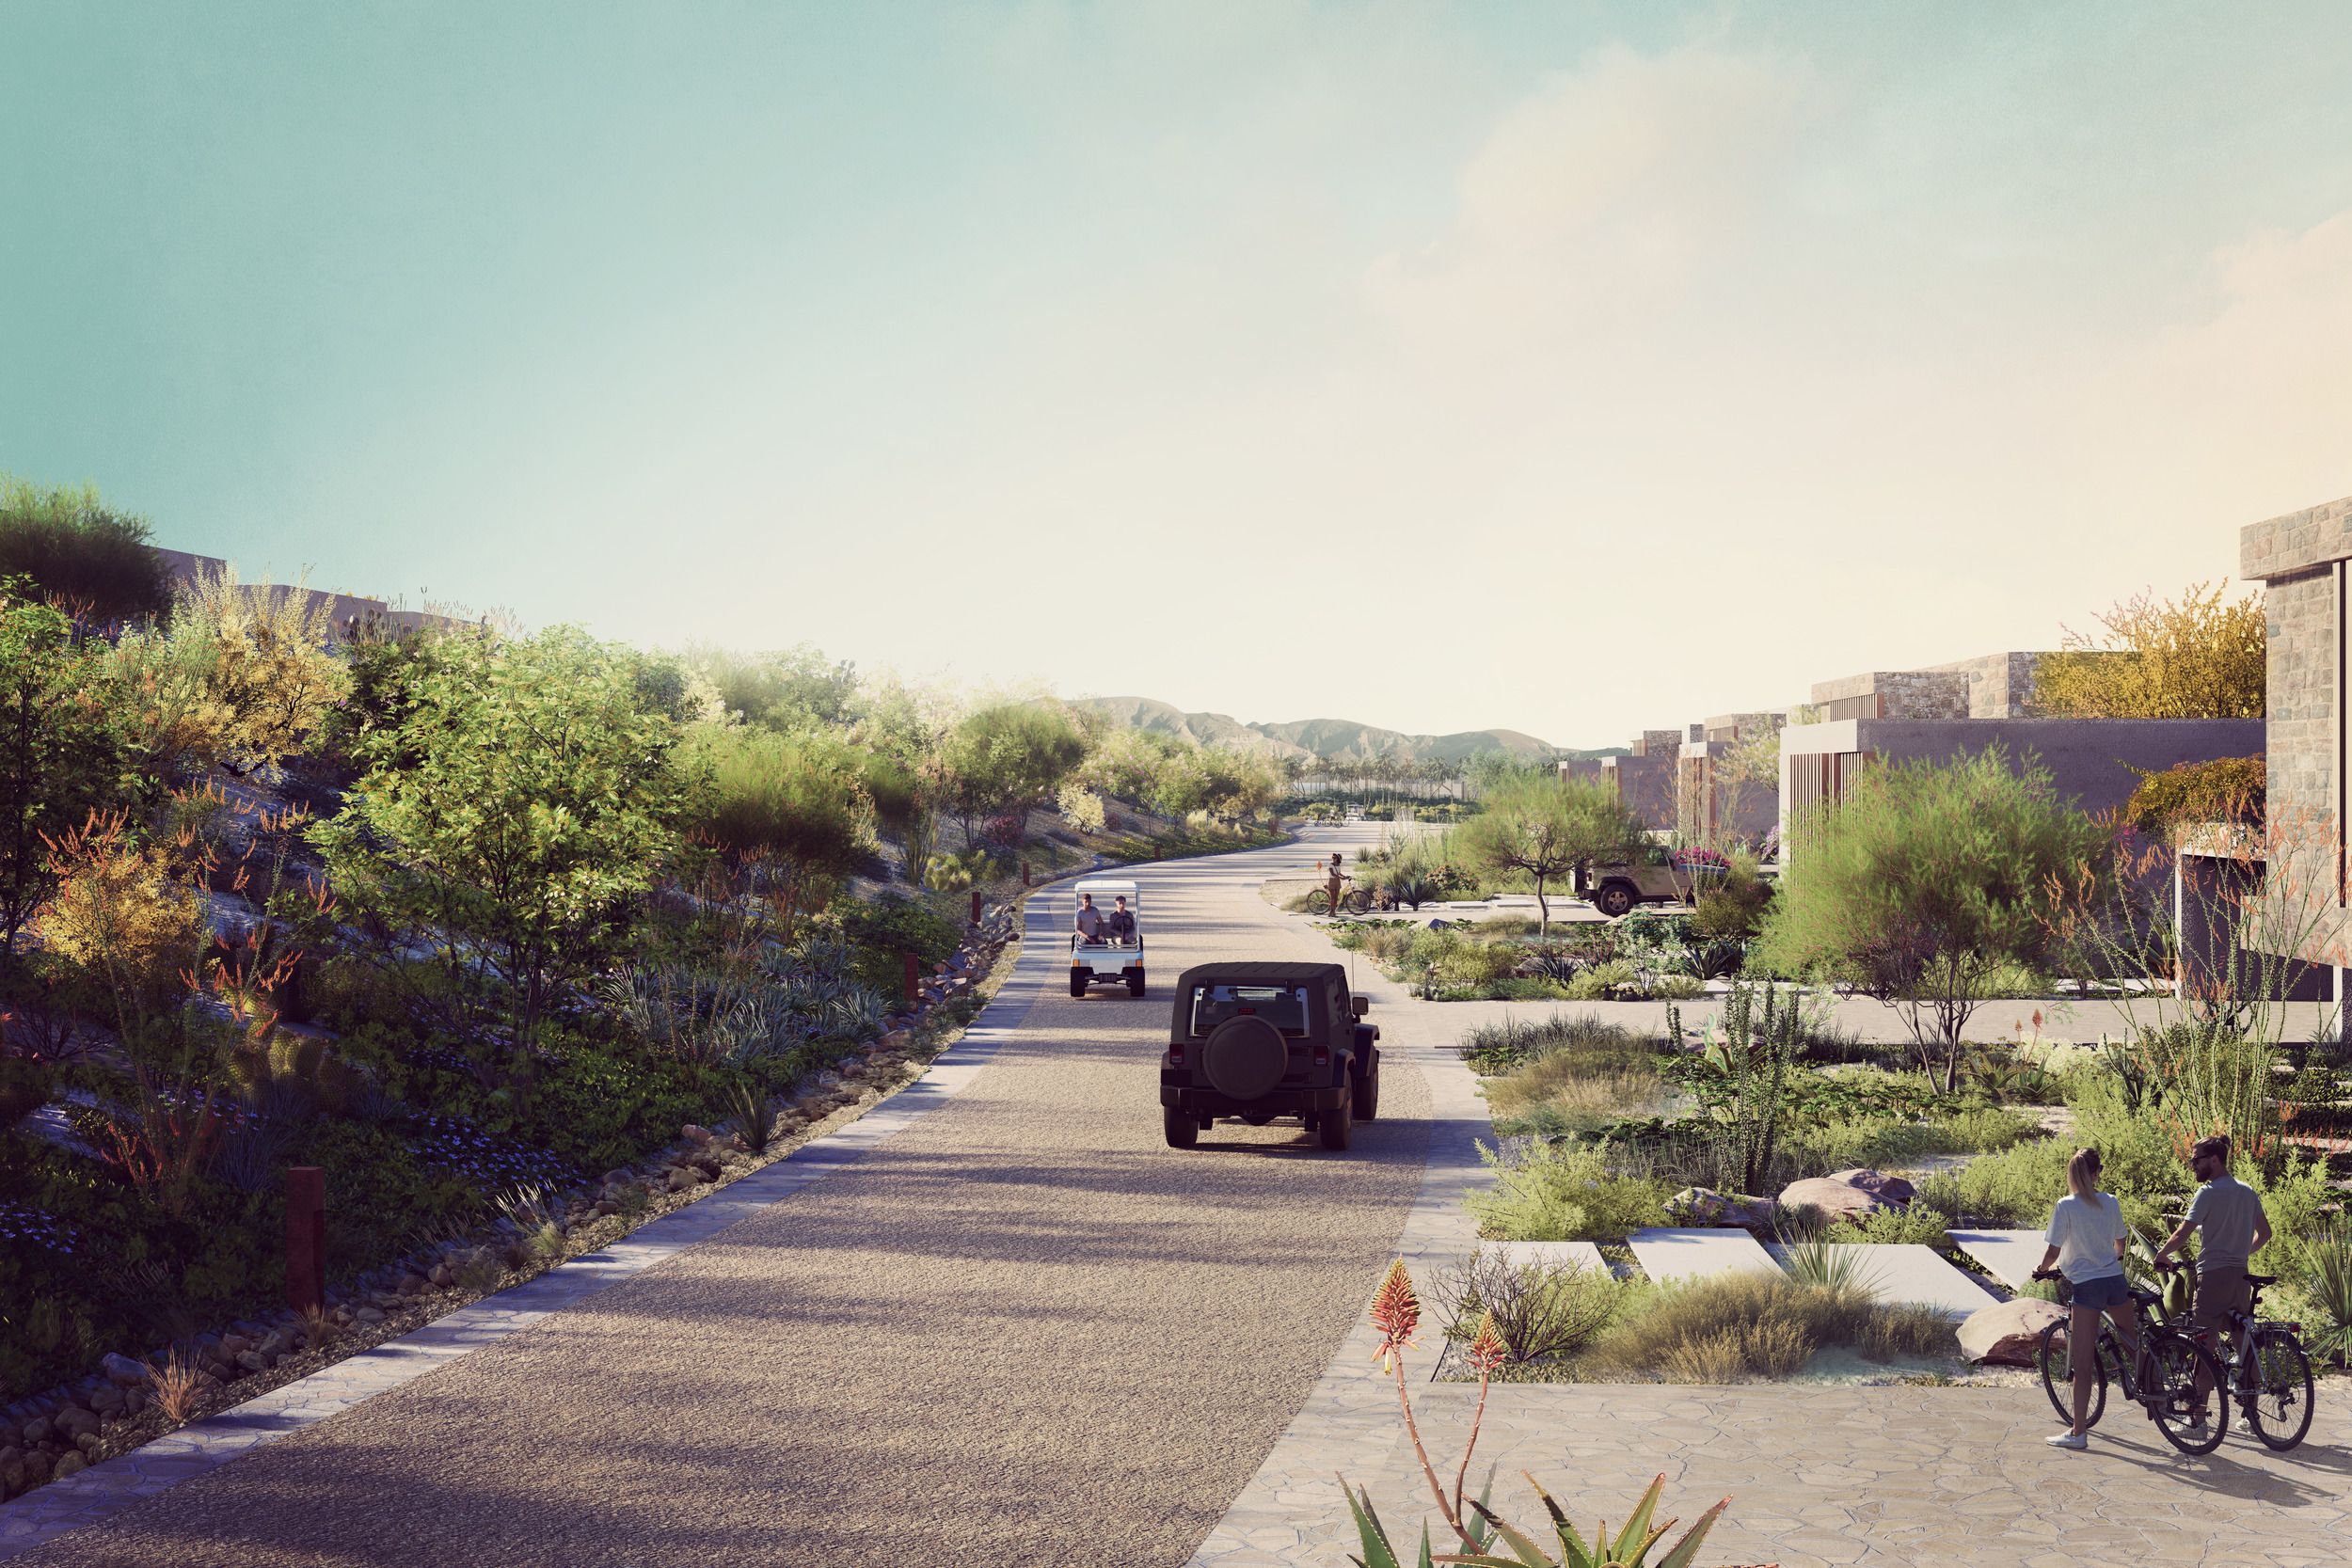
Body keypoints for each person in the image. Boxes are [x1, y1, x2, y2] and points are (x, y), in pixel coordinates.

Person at [2153, 1133, 2272, 1428]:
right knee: (2243, 1340)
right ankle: (2251, 1414)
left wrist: (2161, 1255)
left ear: (2214, 1160)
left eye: (2196, 1161)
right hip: (2240, 1277)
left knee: (2202, 1344)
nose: (2192, 1166)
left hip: (2213, 1277)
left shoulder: (2208, 1193)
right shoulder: (2247, 1191)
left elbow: (2183, 1232)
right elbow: (2266, 1233)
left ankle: (2198, 1418)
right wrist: (2243, 1251)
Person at [2035, 1147, 2137, 1450]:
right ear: (2097, 1173)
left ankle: (2078, 1432)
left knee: (2082, 1364)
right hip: (2115, 1280)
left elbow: (2053, 1251)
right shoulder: (2111, 1202)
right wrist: (2108, 1260)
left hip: (2087, 1287)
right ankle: (2159, 1396)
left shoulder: (2065, 1206)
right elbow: (2121, 1242)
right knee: (2133, 1344)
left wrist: (2041, 1270)